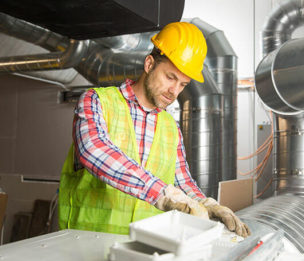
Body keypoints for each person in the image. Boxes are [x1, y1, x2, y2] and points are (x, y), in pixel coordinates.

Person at [58, 22, 250, 237]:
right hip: (84, 243)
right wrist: (163, 194)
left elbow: (181, 181)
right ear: (149, 64)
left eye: (183, 85)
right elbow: (94, 151)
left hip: (144, 248)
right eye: (170, 77)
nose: (174, 91)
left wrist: (206, 204)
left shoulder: (171, 127)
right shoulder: (96, 101)